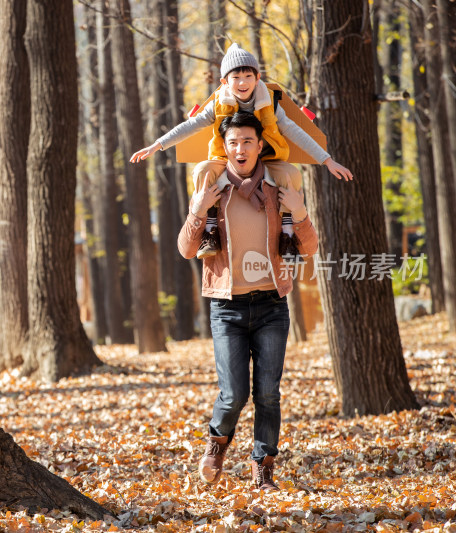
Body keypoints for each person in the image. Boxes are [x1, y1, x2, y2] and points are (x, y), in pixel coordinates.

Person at [178, 112, 318, 491]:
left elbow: (309, 247)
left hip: (272, 305)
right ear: (225, 148)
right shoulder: (212, 188)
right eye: (233, 142)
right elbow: (187, 249)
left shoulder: (279, 188)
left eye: (247, 142)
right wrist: (197, 208)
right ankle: (218, 440)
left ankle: (263, 467)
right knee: (234, 393)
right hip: (227, 308)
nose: (240, 149)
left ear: (260, 146)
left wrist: (301, 212)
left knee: (268, 392)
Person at [131, 43, 349, 262]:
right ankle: (211, 229)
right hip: (228, 159)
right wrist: (157, 145)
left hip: (265, 156)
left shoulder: (269, 102)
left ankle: (287, 234)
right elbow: (191, 125)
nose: (243, 82)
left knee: (291, 174)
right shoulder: (218, 103)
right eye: (236, 77)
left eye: (248, 75)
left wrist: (326, 160)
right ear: (224, 81)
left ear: (257, 77)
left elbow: (293, 130)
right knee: (201, 171)